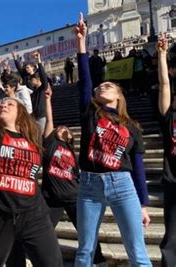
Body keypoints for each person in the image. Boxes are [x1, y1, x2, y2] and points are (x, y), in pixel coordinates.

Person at [0, 21, 62, 266]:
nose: (3, 103)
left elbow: (50, 128)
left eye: (10, 103)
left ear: (21, 113)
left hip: (35, 214)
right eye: (1, 103)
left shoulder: (32, 137)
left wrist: (47, 102)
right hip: (0, 216)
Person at [73, 13, 152, 266]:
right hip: (89, 185)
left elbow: (138, 167)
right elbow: (86, 80)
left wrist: (143, 204)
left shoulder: (132, 127)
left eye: (108, 85)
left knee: (137, 252)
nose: (101, 87)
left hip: (122, 184)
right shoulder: (90, 112)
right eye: (100, 87)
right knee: (85, 250)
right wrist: (82, 42)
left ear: (119, 95)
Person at [43, 87, 106, 265]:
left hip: (74, 197)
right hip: (51, 199)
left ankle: (99, 260)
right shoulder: (50, 144)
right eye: (60, 127)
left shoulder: (72, 152)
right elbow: (49, 119)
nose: (62, 128)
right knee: (42, 232)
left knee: (86, 231)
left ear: (71, 137)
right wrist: (48, 100)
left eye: (66, 129)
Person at [156, 34, 176, 267]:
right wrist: (162, 54)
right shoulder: (169, 116)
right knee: (171, 239)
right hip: (173, 181)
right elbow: (164, 84)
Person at [29, 51, 49, 134]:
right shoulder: (34, 92)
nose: (30, 82)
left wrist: (39, 61)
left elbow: (43, 76)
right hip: (34, 117)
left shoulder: (43, 88)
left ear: (37, 80)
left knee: (40, 136)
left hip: (42, 117)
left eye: (32, 80)